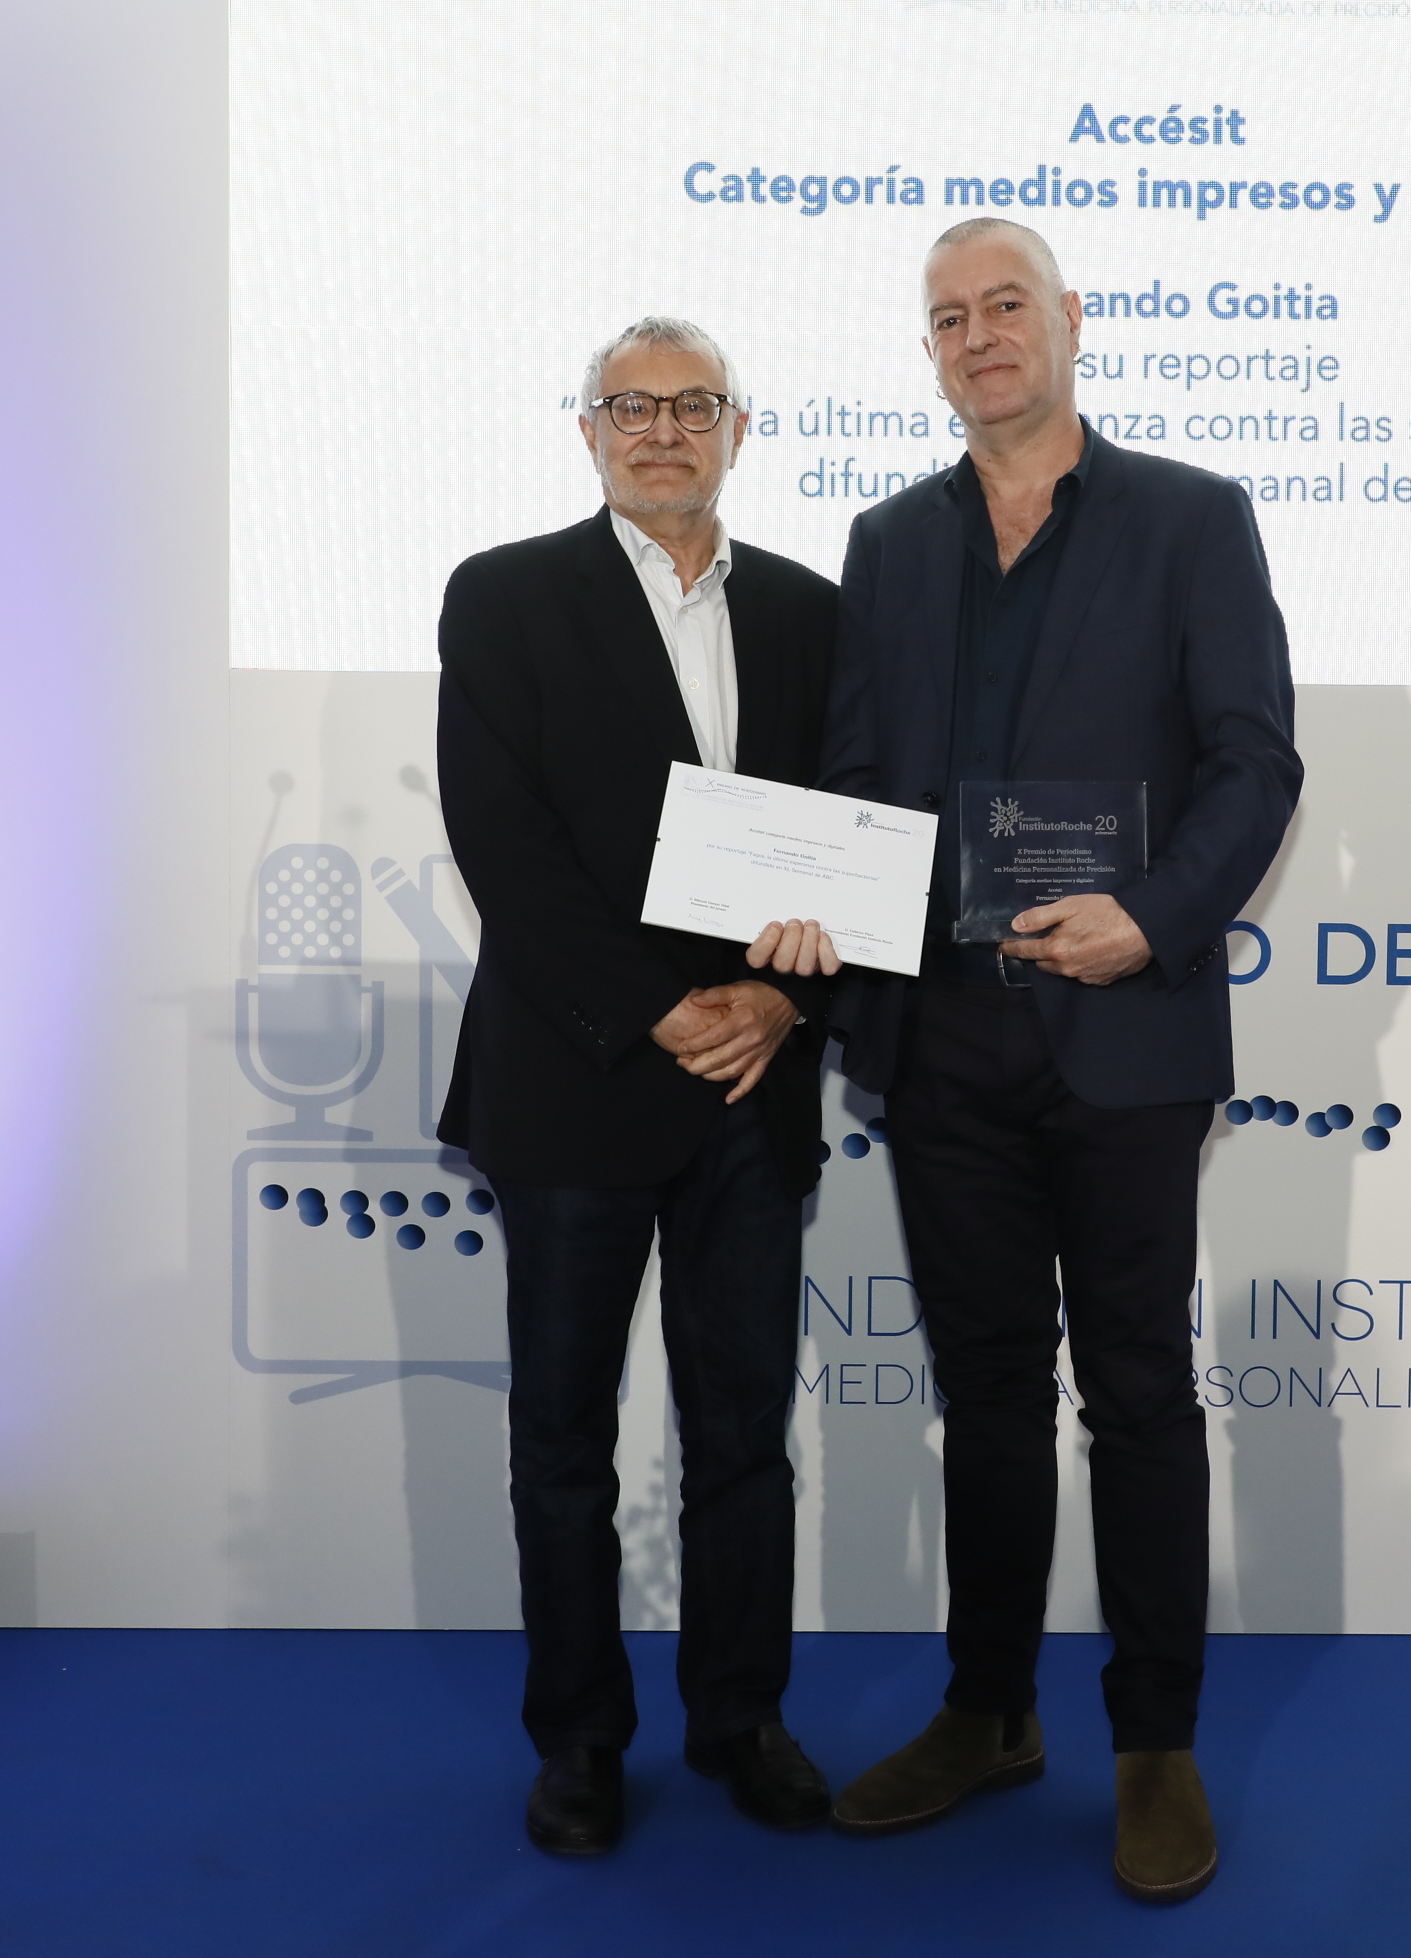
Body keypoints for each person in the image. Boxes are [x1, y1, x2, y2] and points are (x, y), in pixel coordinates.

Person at [818, 219, 1301, 1902]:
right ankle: (990, 1711)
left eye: (1005, 304)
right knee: (988, 1399)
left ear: (1071, 320)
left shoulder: (1192, 518)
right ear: (931, 355)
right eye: (948, 317)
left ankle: (1155, 1744)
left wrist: (1148, 919)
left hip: (1123, 1029)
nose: (980, 335)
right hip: (944, 1035)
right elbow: (860, 782)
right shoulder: (889, 542)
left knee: (1142, 1397)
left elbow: (1255, 762)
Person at [434, 315, 844, 1858]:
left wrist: (786, 1003)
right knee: (563, 1439)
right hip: (577, 1078)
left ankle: (742, 1720)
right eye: (631, 406)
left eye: (693, 404)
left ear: (740, 429)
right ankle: (581, 1740)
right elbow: (503, 841)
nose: (662, 429)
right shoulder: (504, 596)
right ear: (588, 431)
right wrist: (662, 1006)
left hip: (755, 1080)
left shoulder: (812, 613)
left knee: (744, 1434)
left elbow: (859, 830)